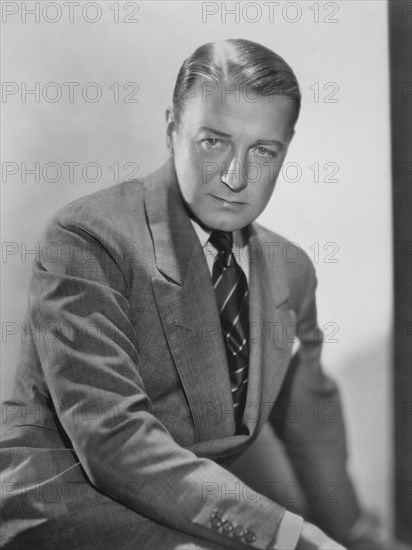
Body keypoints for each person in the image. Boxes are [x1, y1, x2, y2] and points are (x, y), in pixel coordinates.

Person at [0, 39, 407, 550]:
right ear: (172, 128)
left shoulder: (291, 271)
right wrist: (288, 533)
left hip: (192, 506)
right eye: (214, 141)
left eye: (263, 150)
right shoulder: (88, 237)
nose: (236, 178)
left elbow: (310, 423)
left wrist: (357, 535)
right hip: (67, 501)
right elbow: (112, 439)